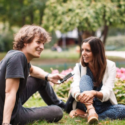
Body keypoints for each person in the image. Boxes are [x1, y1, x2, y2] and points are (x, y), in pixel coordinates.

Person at [0, 25, 65, 125]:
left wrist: (49, 76)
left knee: (42, 79)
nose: (42, 47)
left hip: (8, 104)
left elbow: (32, 70)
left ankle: (63, 106)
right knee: (57, 111)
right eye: (38, 42)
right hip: (9, 114)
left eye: (43, 43)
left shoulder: (14, 55)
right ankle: (60, 108)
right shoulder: (18, 57)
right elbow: (10, 92)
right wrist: (6, 123)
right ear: (25, 41)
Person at [67, 37, 125, 124]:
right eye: (82, 50)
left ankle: (88, 116)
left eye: (88, 50)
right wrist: (79, 96)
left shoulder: (110, 66)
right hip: (84, 104)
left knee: (123, 110)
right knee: (85, 79)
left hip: (103, 105)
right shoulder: (79, 67)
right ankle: (90, 111)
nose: (83, 53)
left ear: (97, 52)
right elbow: (75, 86)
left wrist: (94, 93)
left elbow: (107, 90)